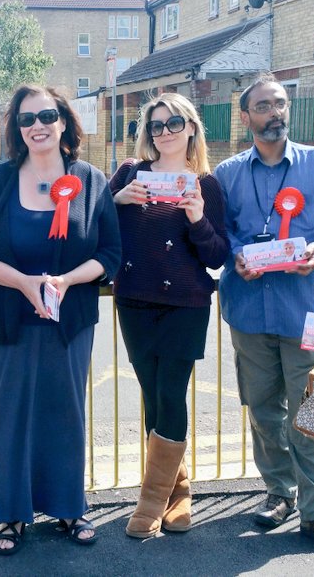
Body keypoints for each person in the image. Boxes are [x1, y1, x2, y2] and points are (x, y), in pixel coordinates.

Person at [0, 84, 121, 555]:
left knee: (65, 415)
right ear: (17, 128)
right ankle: (12, 515)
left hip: (68, 320)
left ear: (63, 122)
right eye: (27, 119)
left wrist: (67, 281)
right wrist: (26, 283)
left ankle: (70, 508)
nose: (37, 126)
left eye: (46, 116)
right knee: (10, 418)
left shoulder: (91, 180)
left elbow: (111, 253)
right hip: (10, 320)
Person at [213, 73, 314, 548]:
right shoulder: (228, 173)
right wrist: (237, 253)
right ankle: (280, 492)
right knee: (263, 411)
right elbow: (222, 231)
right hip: (250, 313)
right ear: (245, 116)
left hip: (308, 314)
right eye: (263, 106)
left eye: (280, 104)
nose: (274, 112)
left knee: (312, 412)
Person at [108, 93, 227, 537]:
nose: (165, 132)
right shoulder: (128, 173)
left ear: (192, 127)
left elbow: (217, 256)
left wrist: (197, 219)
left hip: (186, 304)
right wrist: (117, 199)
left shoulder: (206, 185)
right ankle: (177, 492)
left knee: (171, 394)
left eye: (174, 123)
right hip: (136, 299)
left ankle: (151, 501)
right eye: (156, 126)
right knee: (152, 395)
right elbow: (95, 227)